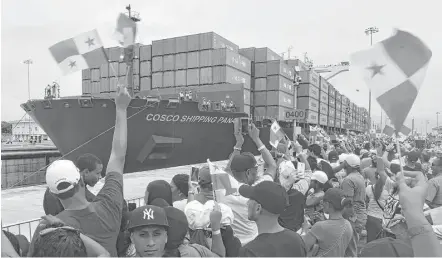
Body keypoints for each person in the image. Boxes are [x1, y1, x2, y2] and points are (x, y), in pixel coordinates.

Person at [37, 85, 130, 256]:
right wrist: (121, 109)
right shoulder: (109, 205)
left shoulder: (51, 229)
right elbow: (118, 156)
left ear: (53, 194)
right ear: (81, 180)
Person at [220, 122, 277, 245]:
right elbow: (272, 165)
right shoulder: (259, 189)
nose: (257, 174)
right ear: (248, 173)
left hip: (230, 245)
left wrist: (238, 144)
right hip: (252, 244)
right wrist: (256, 139)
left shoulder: (222, 188)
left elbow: (227, 170)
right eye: (255, 171)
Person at [238, 181, 307, 257]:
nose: (247, 203)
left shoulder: (249, 252)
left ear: (258, 208)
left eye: (250, 199)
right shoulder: (297, 240)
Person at [302, 188, 353, 257]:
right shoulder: (348, 225)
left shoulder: (320, 226)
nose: (321, 203)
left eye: (323, 201)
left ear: (327, 204)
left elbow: (302, 247)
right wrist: (324, 222)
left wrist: (304, 230)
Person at [340, 153, 367, 255]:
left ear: (347, 165)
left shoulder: (348, 180)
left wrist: (342, 218)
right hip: (360, 216)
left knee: (349, 250)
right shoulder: (359, 176)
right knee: (352, 247)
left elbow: (348, 203)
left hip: (353, 217)